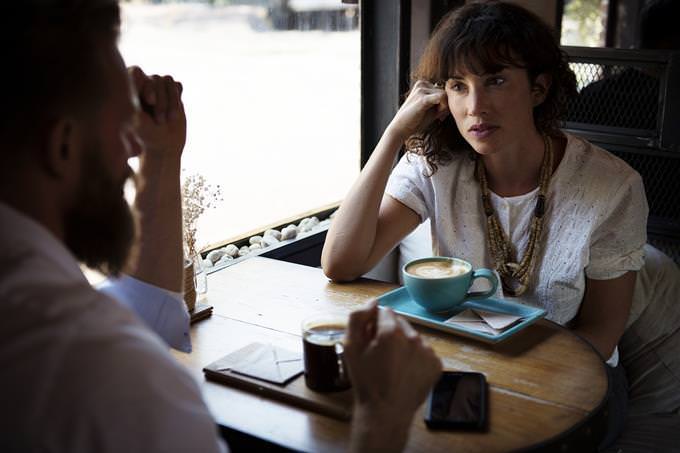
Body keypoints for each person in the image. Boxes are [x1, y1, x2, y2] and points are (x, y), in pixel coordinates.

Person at [0, 1, 442, 452]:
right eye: (120, 129)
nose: (132, 151)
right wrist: (382, 417)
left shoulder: (32, 307)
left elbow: (143, 310)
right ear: (63, 146)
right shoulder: (113, 380)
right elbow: (113, 348)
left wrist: (163, 154)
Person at [322, 0, 648, 448]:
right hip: (464, 371)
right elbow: (340, 262)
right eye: (458, 86)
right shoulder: (434, 164)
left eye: (495, 80)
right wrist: (394, 134)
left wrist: (507, 379)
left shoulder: (612, 186)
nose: (475, 106)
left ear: (537, 88)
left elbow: (602, 332)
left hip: (574, 377)